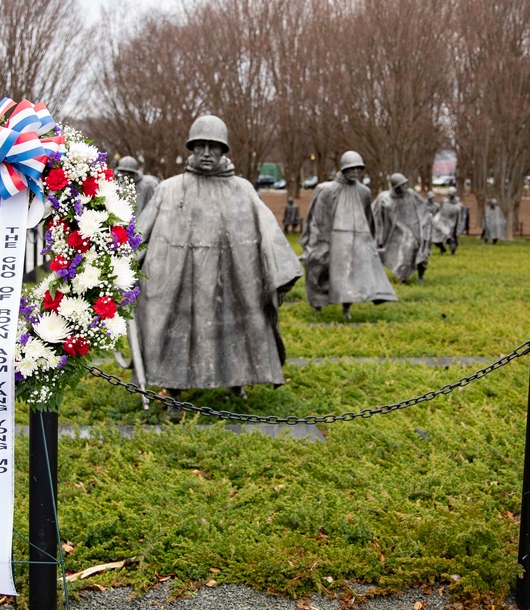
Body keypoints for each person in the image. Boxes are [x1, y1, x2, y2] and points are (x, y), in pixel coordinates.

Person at [134, 115, 302, 400]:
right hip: (180, 280)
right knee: (177, 331)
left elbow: (269, 233)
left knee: (236, 326)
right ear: (191, 149)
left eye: (214, 147)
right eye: (200, 146)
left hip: (233, 278)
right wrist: (119, 268)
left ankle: (237, 382)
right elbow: (139, 236)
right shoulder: (169, 189)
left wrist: (281, 272)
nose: (207, 153)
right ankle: (173, 391)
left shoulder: (243, 190)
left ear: (224, 151)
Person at [299, 151, 397, 317]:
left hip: (354, 239)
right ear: (343, 169)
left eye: (359, 169)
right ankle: (318, 305)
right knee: (318, 267)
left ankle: (347, 308)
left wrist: (369, 242)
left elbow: (368, 218)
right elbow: (317, 218)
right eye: (352, 169)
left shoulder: (363, 192)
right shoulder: (326, 190)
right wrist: (316, 242)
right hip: (327, 237)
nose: (355, 172)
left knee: (350, 274)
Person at [372, 173, 433, 284]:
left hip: (414, 230)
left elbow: (423, 210)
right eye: (401, 186)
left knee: (421, 254)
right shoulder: (384, 198)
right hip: (393, 232)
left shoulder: (411, 195)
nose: (404, 187)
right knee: (402, 254)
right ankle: (402, 276)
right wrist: (378, 236)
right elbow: (375, 216)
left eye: (405, 184)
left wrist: (425, 226)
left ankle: (420, 276)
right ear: (395, 187)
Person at [432, 186, 466, 255]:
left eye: (451, 195)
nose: (450, 196)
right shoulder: (444, 202)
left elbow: (461, 218)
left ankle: (452, 252)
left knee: (452, 240)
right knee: (435, 238)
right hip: (441, 223)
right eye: (449, 194)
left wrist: (459, 228)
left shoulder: (459, 206)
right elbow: (439, 212)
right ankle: (442, 249)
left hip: (452, 225)